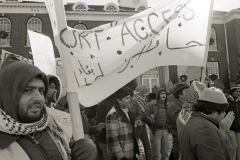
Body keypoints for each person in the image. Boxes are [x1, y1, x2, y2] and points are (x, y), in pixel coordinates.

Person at [0, 55, 97, 160]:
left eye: (41, 90)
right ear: (7, 95)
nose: (39, 97)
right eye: (27, 90)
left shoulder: (52, 127)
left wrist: (84, 152)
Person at [179, 87, 229, 160]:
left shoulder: (194, 120)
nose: (224, 114)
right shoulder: (206, 129)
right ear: (213, 111)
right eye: (223, 111)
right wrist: (224, 129)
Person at [106, 87, 139, 160]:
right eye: (127, 98)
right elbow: (113, 140)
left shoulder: (128, 111)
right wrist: (121, 157)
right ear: (119, 100)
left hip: (130, 153)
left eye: (130, 97)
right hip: (121, 156)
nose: (130, 100)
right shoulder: (113, 115)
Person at [167, 83, 189, 160]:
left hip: (187, 142)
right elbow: (182, 121)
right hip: (180, 144)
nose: (189, 93)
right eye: (186, 91)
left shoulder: (187, 105)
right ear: (180, 94)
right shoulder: (173, 106)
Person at [147, 88, 171, 160]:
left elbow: (171, 117)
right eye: (161, 93)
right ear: (158, 95)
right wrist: (154, 122)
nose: (163, 95)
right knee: (156, 155)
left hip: (166, 131)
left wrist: (169, 124)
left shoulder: (168, 105)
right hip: (156, 131)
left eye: (165, 94)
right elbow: (145, 116)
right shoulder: (151, 104)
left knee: (165, 154)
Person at [130, 85, 152, 160]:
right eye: (144, 90)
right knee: (135, 146)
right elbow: (132, 113)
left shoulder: (143, 99)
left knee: (147, 145)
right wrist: (136, 121)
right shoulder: (135, 101)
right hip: (138, 126)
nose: (145, 91)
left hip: (143, 125)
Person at [96, 94, 114, 160]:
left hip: (110, 137)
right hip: (105, 139)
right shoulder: (104, 105)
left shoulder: (111, 103)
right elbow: (101, 123)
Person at [227, 86, 240, 160]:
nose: (238, 93)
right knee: (233, 146)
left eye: (239, 92)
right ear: (232, 92)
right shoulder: (227, 102)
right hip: (230, 127)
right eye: (236, 91)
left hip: (238, 127)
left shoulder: (239, 102)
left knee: (239, 146)